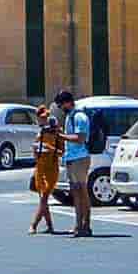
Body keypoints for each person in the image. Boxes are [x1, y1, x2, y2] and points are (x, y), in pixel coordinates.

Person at [55, 89, 94, 237]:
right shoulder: (69, 117)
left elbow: (80, 138)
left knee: (82, 191)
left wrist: (62, 136)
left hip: (80, 157)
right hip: (71, 157)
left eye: (61, 105)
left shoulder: (79, 117)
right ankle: (78, 225)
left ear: (67, 103)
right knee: (75, 193)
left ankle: (86, 225)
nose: (60, 108)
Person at [28, 105, 63, 235]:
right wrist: (35, 150)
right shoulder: (40, 132)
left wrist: (50, 148)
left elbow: (61, 153)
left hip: (52, 167)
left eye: (44, 118)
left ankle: (33, 225)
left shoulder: (58, 133)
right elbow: (35, 151)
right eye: (40, 119)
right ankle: (50, 226)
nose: (42, 121)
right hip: (40, 167)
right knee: (43, 198)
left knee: (44, 198)